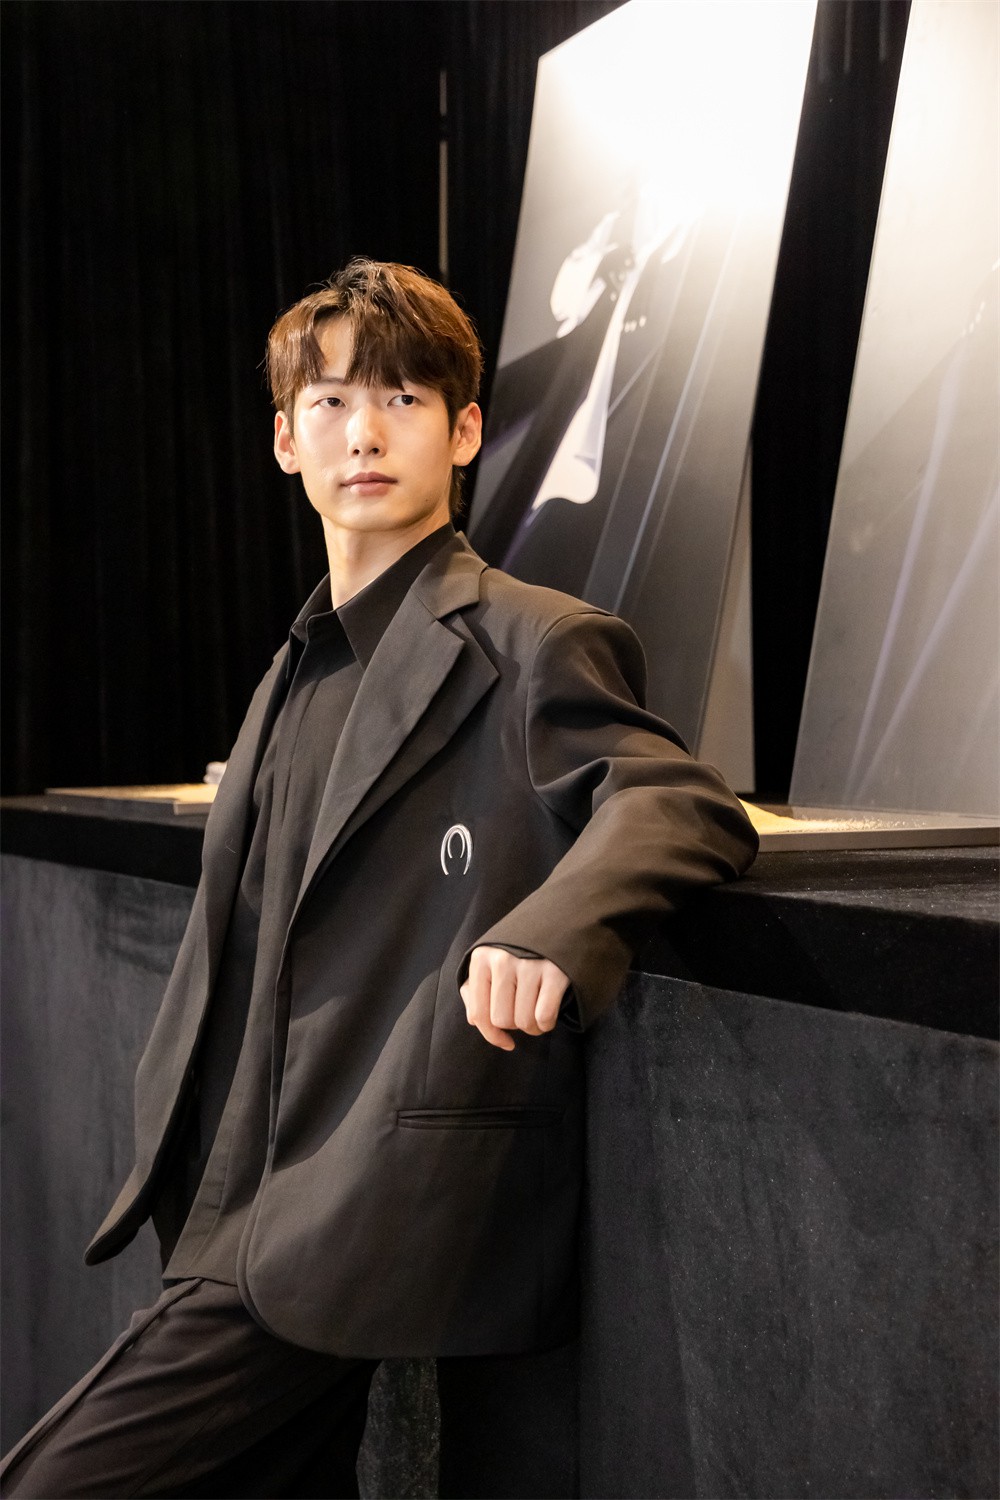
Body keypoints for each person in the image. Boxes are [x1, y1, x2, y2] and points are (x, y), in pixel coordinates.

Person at [1, 259, 758, 1498]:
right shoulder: (295, 664)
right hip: (225, 1198)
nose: (364, 433)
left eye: (403, 399)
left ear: (463, 431)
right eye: (332, 402)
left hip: (359, 1201)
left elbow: (677, 798)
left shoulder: (530, 638)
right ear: (285, 442)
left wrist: (550, 931)